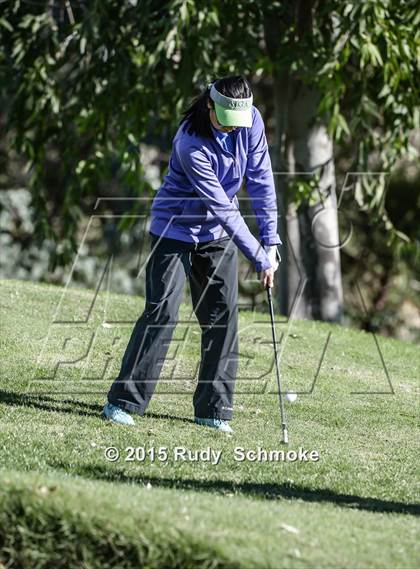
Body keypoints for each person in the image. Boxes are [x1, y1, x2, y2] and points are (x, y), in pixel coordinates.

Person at [102, 75, 281, 432]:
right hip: (174, 230)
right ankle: (122, 402)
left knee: (222, 316)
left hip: (215, 238)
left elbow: (261, 179)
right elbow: (223, 208)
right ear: (210, 106)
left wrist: (271, 239)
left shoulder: (250, 121)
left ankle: (213, 411)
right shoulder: (190, 142)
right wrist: (259, 257)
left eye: (238, 125)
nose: (232, 131)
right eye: (225, 123)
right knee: (162, 312)